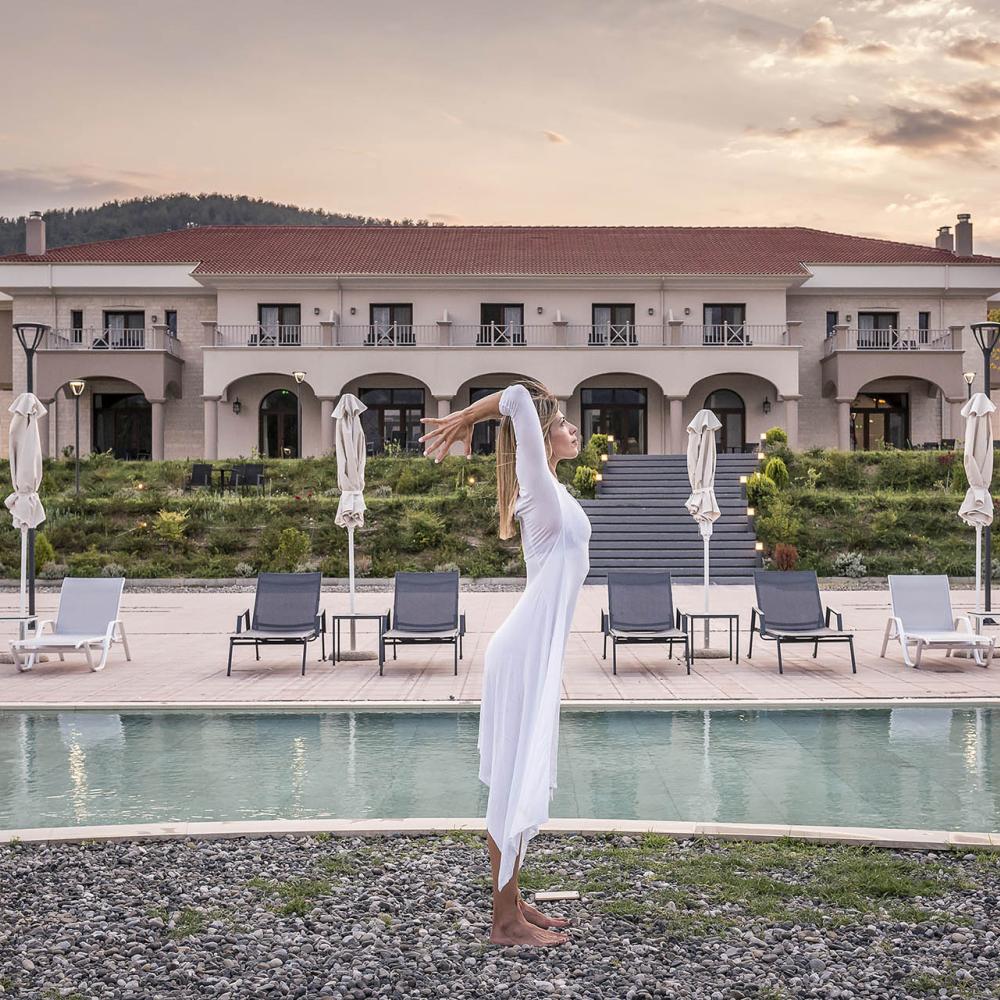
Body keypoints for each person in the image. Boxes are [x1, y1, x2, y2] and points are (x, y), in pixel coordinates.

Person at [420, 378, 591, 947]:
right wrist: (465, 418)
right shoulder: (538, 485)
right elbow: (516, 396)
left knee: (523, 777)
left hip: (534, 651)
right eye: (564, 424)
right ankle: (504, 922)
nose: (574, 430)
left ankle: (514, 899)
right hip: (521, 653)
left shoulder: (556, 494)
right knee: (514, 781)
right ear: (544, 438)